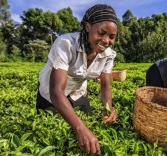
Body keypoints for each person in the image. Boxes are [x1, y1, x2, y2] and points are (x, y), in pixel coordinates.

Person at [36, 4, 118, 154]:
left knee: (91, 128)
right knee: (55, 134)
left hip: (77, 93)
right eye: (101, 33)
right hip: (51, 95)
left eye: (112, 37)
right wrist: (80, 128)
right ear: (88, 26)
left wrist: (108, 107)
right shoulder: (66, 44)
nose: (106, 41)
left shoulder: (109, 55)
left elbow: (105, 85)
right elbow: (56, 92)